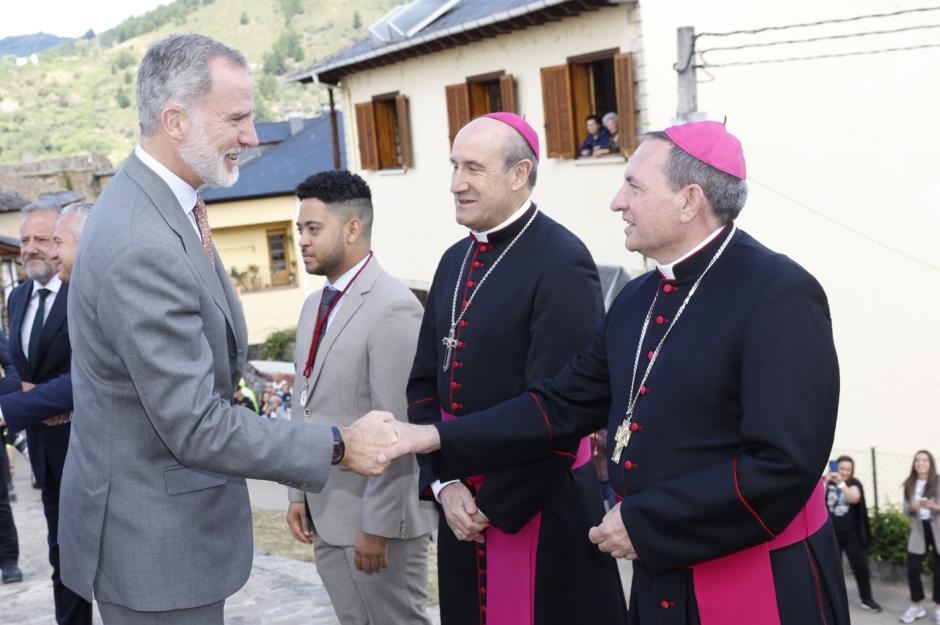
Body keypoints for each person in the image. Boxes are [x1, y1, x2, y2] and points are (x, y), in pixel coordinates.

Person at [381, 120, 849, 625]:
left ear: (690, 200)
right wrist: (430, 439)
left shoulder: (779, 293)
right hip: (658, 569)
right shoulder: (636, 300)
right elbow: (557, 405)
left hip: (758, 576)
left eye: (634, 186)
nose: (616, 202)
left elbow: (783, 463)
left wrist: (646, 522)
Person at [57, 34, 395, 625]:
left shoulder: (169, 207)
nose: (252, 135)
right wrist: (340, 445)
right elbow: (194, 425)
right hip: (153, 550)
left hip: (164, 534)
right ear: (176, 120)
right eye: (236, 118)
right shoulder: (144, 240)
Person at [407, 112, 627, 625]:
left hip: (539, 505)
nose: (456, 184)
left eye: (474, 169)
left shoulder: (562, 261)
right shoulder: (451, 261)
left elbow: (562, 409)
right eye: (454, 166)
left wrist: (493, 503)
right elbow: (422, 385)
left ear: (519, 173)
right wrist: (445, 486)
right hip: (461, 504)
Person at [284, 170, 437, 624]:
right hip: (325, 510)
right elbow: (304, 401)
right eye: (299, 231)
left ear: (352, 228)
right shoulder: (314, 305)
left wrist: (379, 525)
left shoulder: (393, 306)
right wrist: (297, 492)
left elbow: (397, 429)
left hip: (373, 524)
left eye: (314, 229)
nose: (303, 241)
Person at [0, 202, 94, 623]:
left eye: (44, 239)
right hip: (45, 451)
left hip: (90, 446)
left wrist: (21, 404)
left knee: (111, 562)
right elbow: (19, 369)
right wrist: (30, 396)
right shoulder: (18, 297)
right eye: (25, 240)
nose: (33, 249)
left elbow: (89, 375)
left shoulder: (86, 290)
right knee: (64, 560)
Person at [825, 455, 880, 612]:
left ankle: (867, 599)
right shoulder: (825, 481)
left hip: (852, 534)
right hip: (831, 533)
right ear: (836, 467)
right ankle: (832, 602)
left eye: (848, 469)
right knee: (832, 569)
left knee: (861, 567)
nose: (845, 472)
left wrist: (840, 483)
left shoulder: (854, 483)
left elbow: (854, 498)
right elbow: (817, 500)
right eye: (842, 468)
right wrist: (828, 481)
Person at [900, 450, 940, 624]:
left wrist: (933, 507)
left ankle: (939, 608)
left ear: (930, 464)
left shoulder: (938, 482)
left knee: (939, 573)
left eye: (925, 460)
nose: (921, 463)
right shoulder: (909, 483)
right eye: (917, 460)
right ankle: (917, 605)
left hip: (938, 529)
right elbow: (905, 510)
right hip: (919, 530)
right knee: (912, 570)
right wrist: (912, 508)